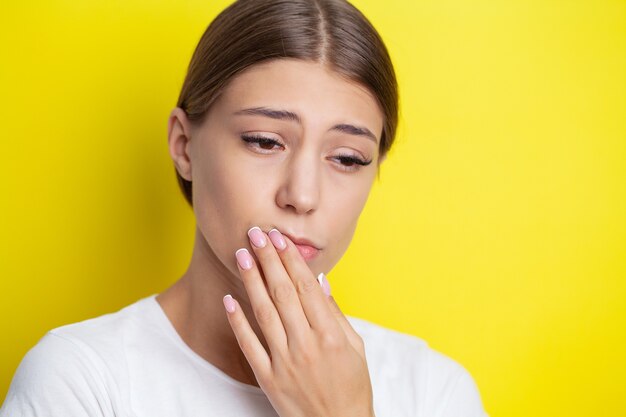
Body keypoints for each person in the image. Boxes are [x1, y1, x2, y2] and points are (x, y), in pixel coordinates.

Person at [0, 0, 488, 416]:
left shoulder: (433, 392)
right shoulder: (81, 380)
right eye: (264, 141)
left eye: (346, 158)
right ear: (185, 145)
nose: (302, 195)